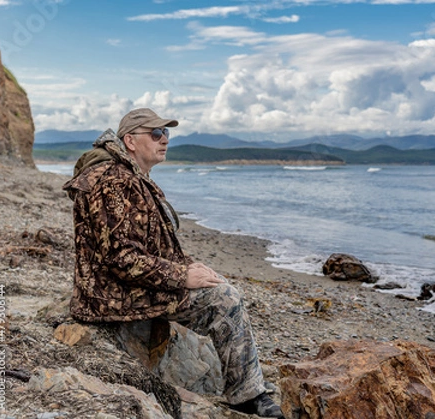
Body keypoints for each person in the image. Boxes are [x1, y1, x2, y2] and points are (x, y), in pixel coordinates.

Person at [62, 108, 284, 418]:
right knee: (226, 299)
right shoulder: (113, 180)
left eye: (166, 133)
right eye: (155, 134)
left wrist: (191, 266)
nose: (164, 140)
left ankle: (247, 380)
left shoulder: (132, 177)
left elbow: (152, 245)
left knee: (215, 281)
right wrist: (181, 276)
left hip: (123, 285)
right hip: (111, 294)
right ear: (130, 140)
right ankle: (246, 396)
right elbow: (120, 257)